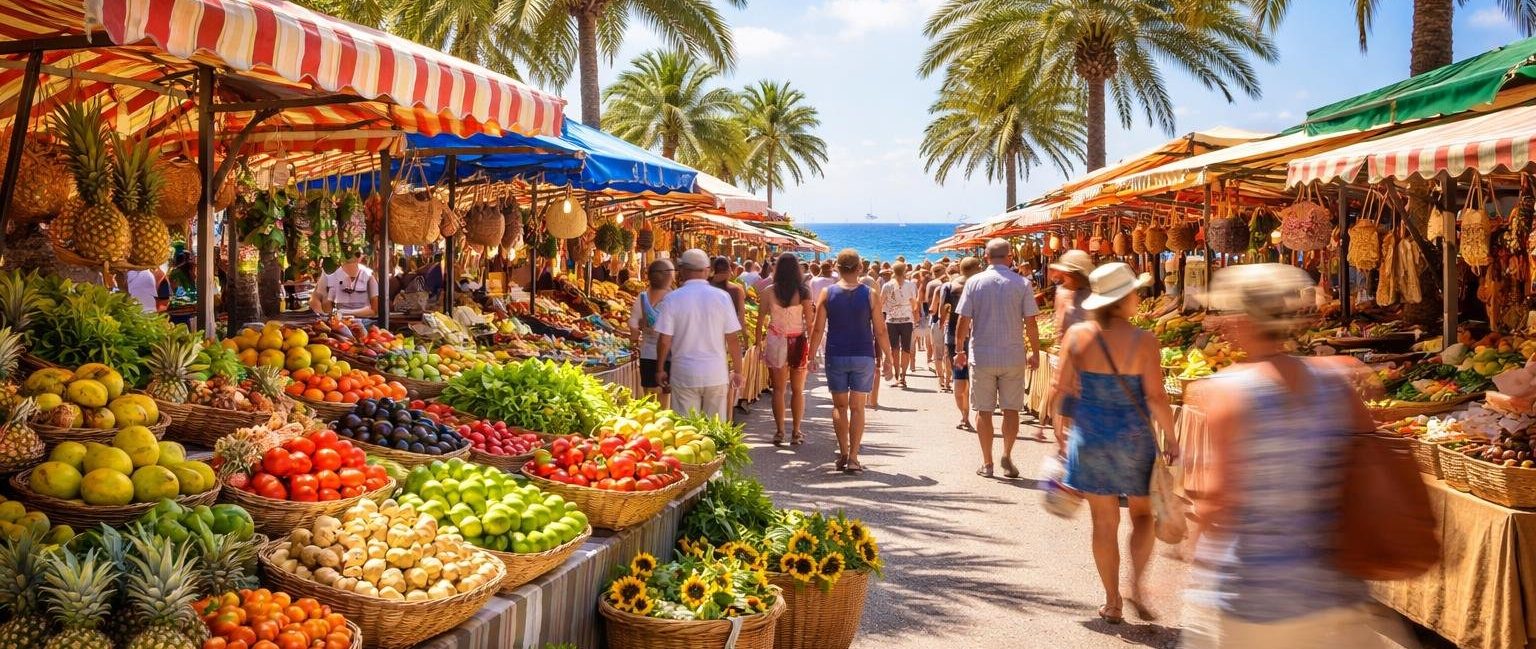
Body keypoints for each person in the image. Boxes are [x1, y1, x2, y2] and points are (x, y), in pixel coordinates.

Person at [1182, 264, 1414, 649]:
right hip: (1332, 588)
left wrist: (1193, 552)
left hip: (1256, 593)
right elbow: (1374, 454)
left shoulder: (1229, 391)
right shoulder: (1335, 382)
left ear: (1243, 320)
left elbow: (1219, 497)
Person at [1050, 261, 1177, 626]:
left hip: (1090, 438)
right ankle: (1136, 585)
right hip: (1134, 438)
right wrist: (1172, 437)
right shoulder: (1144, 340)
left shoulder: (1077, 336)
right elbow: (1155, 397)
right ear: (1123, 299)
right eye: (1135, 292)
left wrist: (1061, 429)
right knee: (1142, 516)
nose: (1139, 297)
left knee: (1103, 523)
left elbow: (1063, 390)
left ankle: (1112, 602)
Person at [953, 239, 1043, 478]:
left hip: (982, 354)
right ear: (1010, 257)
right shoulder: (1022, 283)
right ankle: (1007, 453)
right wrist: (1034, 350)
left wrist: (959, 349)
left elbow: (963, 320)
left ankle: (987, 463)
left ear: (986, 258)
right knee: (1011, 409)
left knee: (984, 411)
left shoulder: (974, 283)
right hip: (1012, 354)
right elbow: (1031, 322)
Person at [808, 249, 894, 473]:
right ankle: (854, 457)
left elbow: (817, 329)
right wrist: (888, 358)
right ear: (860, 269)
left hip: (836, 354)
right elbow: (881, 330)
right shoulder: (870, 294)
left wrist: (810, 355)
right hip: (863, 355)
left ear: (837, 267)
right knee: (857, 408)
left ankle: (843, 452)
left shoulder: (827, 293)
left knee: (839, 406)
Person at [654, 250, 744, 419]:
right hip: (715, 373)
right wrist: (738, 371)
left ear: (682, 270)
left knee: (687, 432)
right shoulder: (722, 297)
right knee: (715, 431)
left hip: (684, 374)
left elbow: (664, 340)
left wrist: (659, 369)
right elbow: (732, 339)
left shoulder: (672, 299)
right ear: (707, 270)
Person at [756, 253, 813, 446]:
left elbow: (760, 320)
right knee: (798, 390)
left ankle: (779, 431)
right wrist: (813, 348)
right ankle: (796, 432)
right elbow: (810, 323)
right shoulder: (804, 291)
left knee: (778, 390)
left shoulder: (768, 291)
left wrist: (758, 344)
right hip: (797, 341)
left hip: (775, 340)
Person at [941, 259, 981, 430]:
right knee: (975, 379)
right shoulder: (981, 286)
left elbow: (943, 310)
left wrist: (941, 322)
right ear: (977, 268)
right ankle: (977, 414)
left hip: (953, 337)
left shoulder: (949, 287)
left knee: (959, 378)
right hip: (977, 337)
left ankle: (964, 416)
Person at [709, 256, 752, 415]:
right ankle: (727, 416)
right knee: (729, 381)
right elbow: (741, 317)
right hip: (730, 337)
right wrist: (746, 337)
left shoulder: (707, 287)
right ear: (729, 270)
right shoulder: (736, 290)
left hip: (711, 337)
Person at [630, 259, 675, 409]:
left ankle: (650, 425)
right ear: (668, 277)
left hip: (647, 354)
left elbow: (633, 325)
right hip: (668, 354)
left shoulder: (642, 298)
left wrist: (634, 341)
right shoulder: (673, 298)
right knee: (664, 398)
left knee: (649, 396)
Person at [880, 263, 920, 389]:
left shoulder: (887, 285)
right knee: (906, 349)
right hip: (907, 320)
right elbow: (914, 303)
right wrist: (915, 315)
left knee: (894, 349)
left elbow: (881, 303)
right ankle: (903, 376)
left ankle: (897, 376)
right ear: (905, 271)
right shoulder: (910, 285)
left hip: (891, 320)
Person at [311, 250, 379, 318]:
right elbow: (315, 299)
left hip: (364, 321)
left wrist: (343, 313)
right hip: (339, 321)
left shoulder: (369, 277)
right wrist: (323, 315)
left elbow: (374, 310)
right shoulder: (332, 275)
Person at [1050, 250, 1095, 339]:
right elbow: (1060, 327)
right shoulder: (1062, 292)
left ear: (1076, 276)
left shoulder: (1095, 296)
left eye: (1066, 274)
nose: (1063, 277)